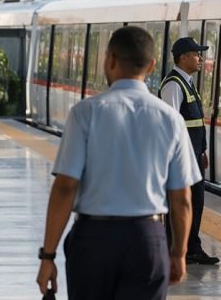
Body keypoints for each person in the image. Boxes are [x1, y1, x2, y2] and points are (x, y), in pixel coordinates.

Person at [36, 26, 203, 300]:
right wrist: (178, 253)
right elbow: (182, 199)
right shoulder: (171, 119)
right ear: (151, 66)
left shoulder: (84, 113)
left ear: (109, 60)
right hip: (147, 238)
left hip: (93, 239)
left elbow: (65, 187)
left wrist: (48, 256)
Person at [159, 36, 219, 265]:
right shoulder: (174, 84)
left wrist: (201, 151)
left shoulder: (187, 82)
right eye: (196, 54)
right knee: (181, 203)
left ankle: (191, 247)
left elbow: (193, 122)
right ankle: (179, 248)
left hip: (192, 154)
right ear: (183, 58)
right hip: (181, 156)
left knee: (195, 202)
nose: (200, 58)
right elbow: (171, 123)